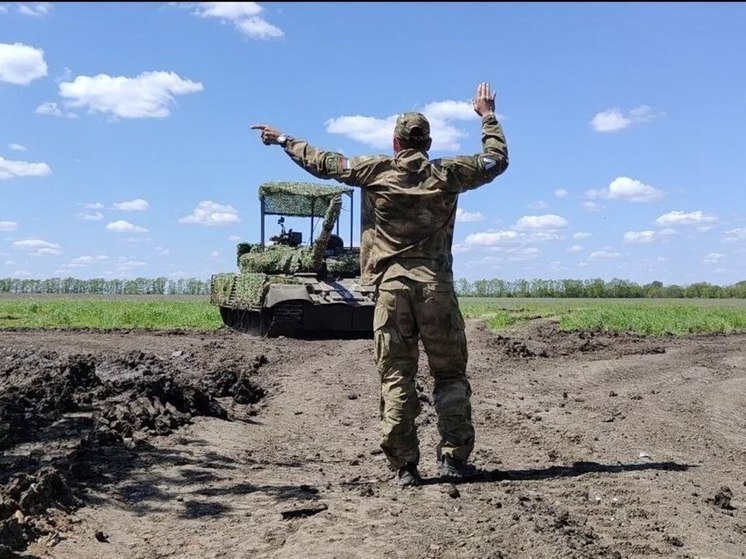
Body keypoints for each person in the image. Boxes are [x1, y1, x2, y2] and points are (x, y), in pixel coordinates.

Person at [251, 82, 509, 486]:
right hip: (437, 289)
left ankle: (405, 467)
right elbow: (496, 160)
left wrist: (283, 140)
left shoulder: (375, 171)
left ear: (395, 143)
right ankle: (454, 460)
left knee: (396, 377)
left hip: (391, 290)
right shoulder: (449, 173)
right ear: (428, 142)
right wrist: (487, 116)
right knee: (451, 376)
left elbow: (323, 162)